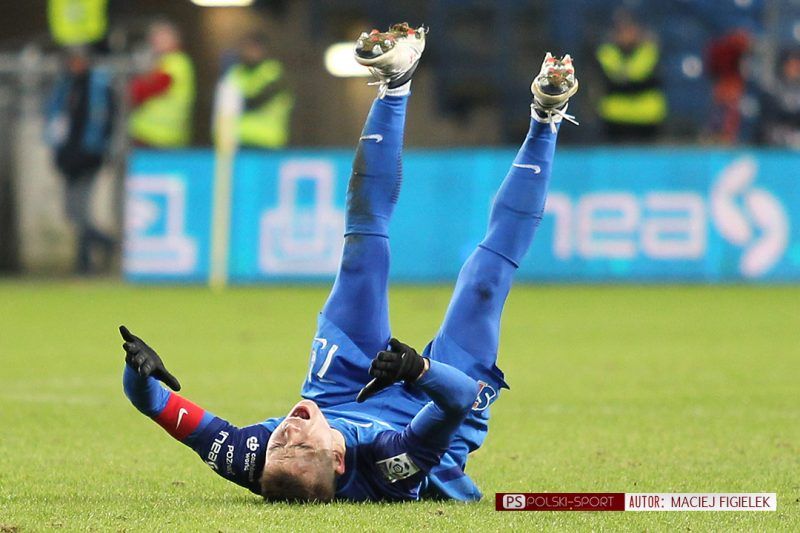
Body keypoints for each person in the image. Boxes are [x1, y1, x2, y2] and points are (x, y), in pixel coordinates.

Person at [119, 23, 579, 502]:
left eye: (277, 444)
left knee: (359, 255)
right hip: (436, 408)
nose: (286, 431)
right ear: (338, 460)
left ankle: (394, 84)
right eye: (299, 445)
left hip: (338, 392)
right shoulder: (388, 469)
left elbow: (153, 403)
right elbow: (458, 398)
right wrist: (418, 370)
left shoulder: (256, 459)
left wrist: (139, 371)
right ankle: (546, 118)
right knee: (484, 282)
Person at [45, 46, 115, 274]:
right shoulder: (65, 87)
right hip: (68, 160)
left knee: (81, 211)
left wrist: (100, 151)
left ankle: (84, 262)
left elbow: (107, 122)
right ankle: (105, 245)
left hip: (88, 158)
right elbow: (55, 122)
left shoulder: (98, 87)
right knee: (71, 212)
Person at [213, 33, 295, 150]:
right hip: (238, 141)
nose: (249, 53)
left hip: (268, 142)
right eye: (246, 48)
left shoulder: (273, 72)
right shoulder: (236, 73)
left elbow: (257, 100)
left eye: (253, 49)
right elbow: (223, 105)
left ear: (263, 50)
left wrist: (237, 100)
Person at [595, 9, 667, 142]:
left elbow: (632, 77)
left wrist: (624, 77)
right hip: (615, 119)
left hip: (648, 118)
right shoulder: (606, 52)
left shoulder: (649, 51)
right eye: (620, 30)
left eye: (629, 28)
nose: (625, 34)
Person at [128, 20, 195, 148]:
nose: (155, 42)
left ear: (174, 39)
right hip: (153, 136)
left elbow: (145, 89)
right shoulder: (165, 61)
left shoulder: (176, 62)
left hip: (156, 138)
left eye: (161, 37)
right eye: (153, 38)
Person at [759, 50, 800, 148]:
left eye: (798, 65)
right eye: (792, 65)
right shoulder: (772, 88)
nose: (796, 69)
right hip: (775, 140)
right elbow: (768, 118)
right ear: (784, 65)